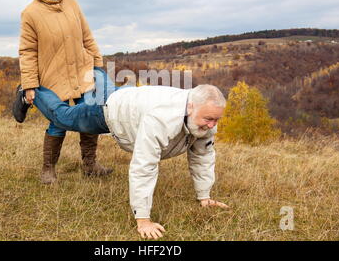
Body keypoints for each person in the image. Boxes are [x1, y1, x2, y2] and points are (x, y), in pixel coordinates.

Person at [30, 68, 230, 239]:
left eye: (216, 120)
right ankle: (30, 90)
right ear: (190, 106)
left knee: (105, 85)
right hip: (107, 111)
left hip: (129, 96)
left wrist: (204, 196)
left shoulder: (204, 121)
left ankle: (95, 67)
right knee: (62, 116)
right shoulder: (160, 119)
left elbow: (202, 156)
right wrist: (143, 220)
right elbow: (144, 166)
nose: (212, 125)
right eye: (208, 119)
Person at [13, 0, 112, 184]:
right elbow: (27, 51)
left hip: (82, 71)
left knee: (90, 113)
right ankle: (48, 170)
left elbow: (87, 36)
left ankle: (90, 165)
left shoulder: (72, 3)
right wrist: (29, 84)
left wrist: (97, 64)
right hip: (52, 77)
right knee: (59, 121)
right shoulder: (30, 13)